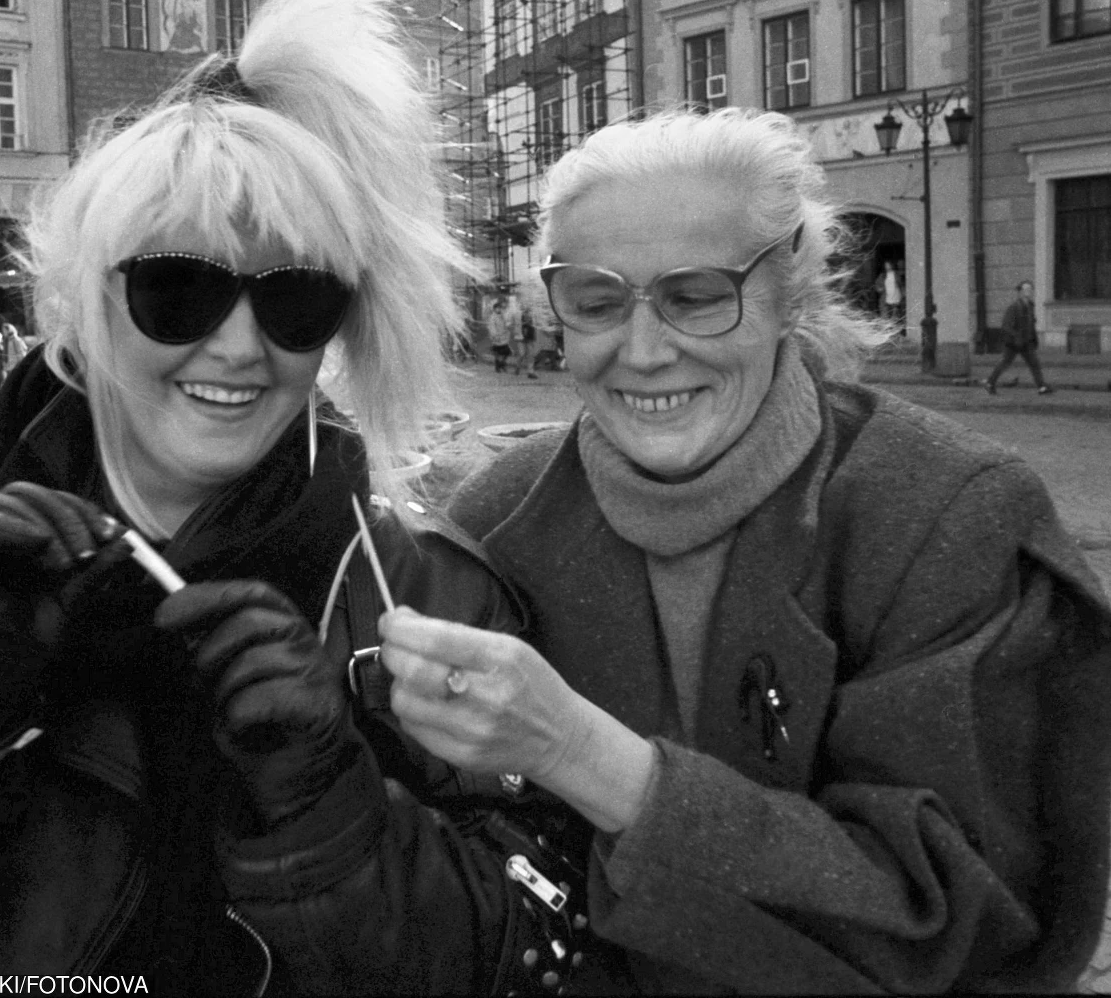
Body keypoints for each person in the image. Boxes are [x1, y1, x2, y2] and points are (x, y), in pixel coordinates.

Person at [0, 0, 585, 993]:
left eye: (294, 298)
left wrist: (339, 820)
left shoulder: (420, 589)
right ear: (86, 299)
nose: (238, 346)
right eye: (177, 288)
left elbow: (528, 951)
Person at [378, 106, 1111, 992]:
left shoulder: (948, 514)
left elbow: (957, 929)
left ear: (786, 299)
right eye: (598, 301)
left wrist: (585, 756)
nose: (643, 352)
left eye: (695, 296)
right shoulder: (496, 516)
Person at [985, 280, 1052, 395]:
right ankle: (990, 382)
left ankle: (1041, 387)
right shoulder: (1014, 307)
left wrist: (1033, 337)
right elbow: (1006, 326)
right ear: (1020, 292)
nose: (1028, 291)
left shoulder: (1030, 306)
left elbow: (1031, 324)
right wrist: (1017, 336)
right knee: (1005, 363)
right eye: (1025, 289)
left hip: (1027, 342)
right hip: (1013, 343)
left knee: (1034, 363)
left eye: (1030, 289)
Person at [486, 296, 512, 372]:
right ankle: (498, 367)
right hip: (497, 338)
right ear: (494, 309)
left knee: (507, 352)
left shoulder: (503, 315)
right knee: (498, 353)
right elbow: (492, 327)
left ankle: (501, 364)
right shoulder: (492, 317)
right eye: (497, 308)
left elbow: (506, 324)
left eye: (500, 308)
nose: (499, 309)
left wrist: (508, 325)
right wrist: (494, 336)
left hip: (504, 337)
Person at [880, 259, 903, 324]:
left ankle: (895, 327)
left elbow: (900, 284)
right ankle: (891, 327)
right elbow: (879, 284)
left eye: (888, 265)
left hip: (896, 296)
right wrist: (880, 288)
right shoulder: (883, 275)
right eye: (886, 265)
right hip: (887, 297)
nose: (887, 267)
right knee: (888, 314)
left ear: (891, 265)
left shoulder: (896, 274)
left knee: (895, 314)